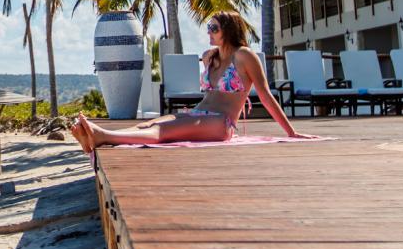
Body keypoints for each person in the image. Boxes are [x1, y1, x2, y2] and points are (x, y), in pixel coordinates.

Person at [70, 11, 307, 153]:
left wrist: (291, 131)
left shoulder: (244, 56)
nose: (209, 32)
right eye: (208, 27)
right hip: (199, 114)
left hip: (220, 123)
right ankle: (95, 136)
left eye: (214, 27)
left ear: (229, 29)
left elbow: (265, 95)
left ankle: (102, 136)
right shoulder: (213, 57)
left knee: (162, 131)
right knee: (150, 124)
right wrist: (208, 62)